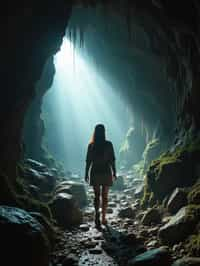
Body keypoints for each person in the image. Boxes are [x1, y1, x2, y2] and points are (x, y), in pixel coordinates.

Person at [85, 124, 117, 228]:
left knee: (96, 196)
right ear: (104, 132)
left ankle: (96, 215)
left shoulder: (91, 145)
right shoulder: (108, 144)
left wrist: (86, 173)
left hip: (95, 171)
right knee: (105, 196)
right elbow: (112, 159)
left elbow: (88, 161)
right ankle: (103, 218)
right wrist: (114, 172)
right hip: (106, 171)